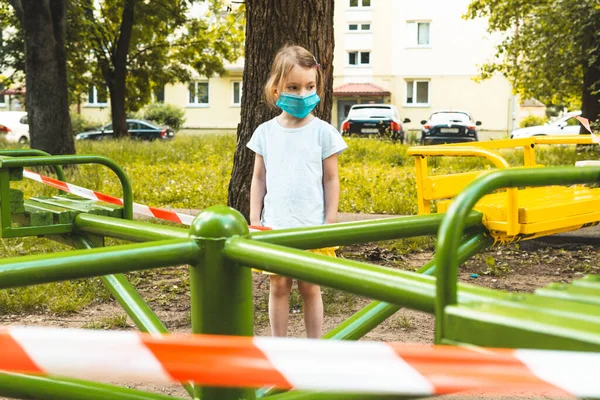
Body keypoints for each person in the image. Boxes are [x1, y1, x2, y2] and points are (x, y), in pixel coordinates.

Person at [247, 44, 347, 339]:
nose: (302, 94)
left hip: (312, 226)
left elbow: (331, 180)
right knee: (278, 285)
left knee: (309, 286)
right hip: (275, 227)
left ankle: (313, 347)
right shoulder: (265, 132)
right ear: (276, 88)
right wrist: (255, 218)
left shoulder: (324, 133)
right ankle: (280, 346)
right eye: (293, 86)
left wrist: (330, 221)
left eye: (309, 86)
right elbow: (258, 178)